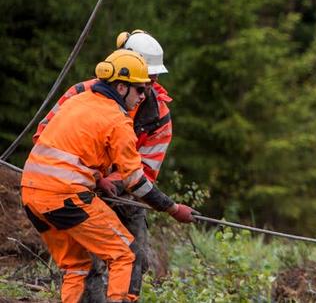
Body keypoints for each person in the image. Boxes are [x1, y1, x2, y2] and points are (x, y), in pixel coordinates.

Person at [21, 49, 195, 303]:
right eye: (140, 90)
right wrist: (173, 208)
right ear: (122, 88)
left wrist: (98, 178)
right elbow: (137, 181)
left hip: (31, 193)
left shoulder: (77, 100)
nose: (143, 96)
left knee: (76, 265)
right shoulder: (118, 121)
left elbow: (68, 147)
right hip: (67, 195)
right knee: (125, 254)